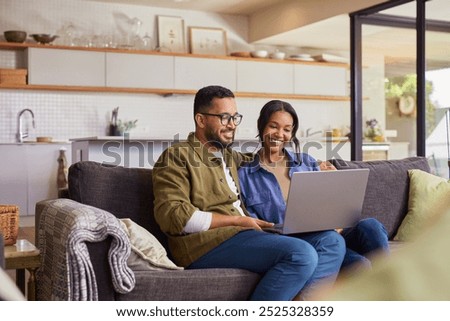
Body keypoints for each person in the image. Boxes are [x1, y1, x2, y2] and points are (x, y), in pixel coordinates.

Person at [152, 85, 345, 301]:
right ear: (201, 119)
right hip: (204, 244)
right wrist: (236, 220)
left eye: (235, 117)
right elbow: (172, 216)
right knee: (301, 254)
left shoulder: (231, 157)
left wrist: (318, 167)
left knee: (332, 241)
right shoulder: (176, 156)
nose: (232, 125)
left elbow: (269, 159)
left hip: (244, 235)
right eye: (224, 117)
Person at [238, 99, 389, 272]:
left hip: (332, 232)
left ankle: (391, 283)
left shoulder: (307, 161)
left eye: (287, 129)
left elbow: (331, 203)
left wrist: (335, 188)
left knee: (371, 226)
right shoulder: (245, 175)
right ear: (261, 126)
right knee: (360, 265)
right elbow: (257, 228)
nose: (280, 134)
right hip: (301, 243)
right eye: (273, 126)